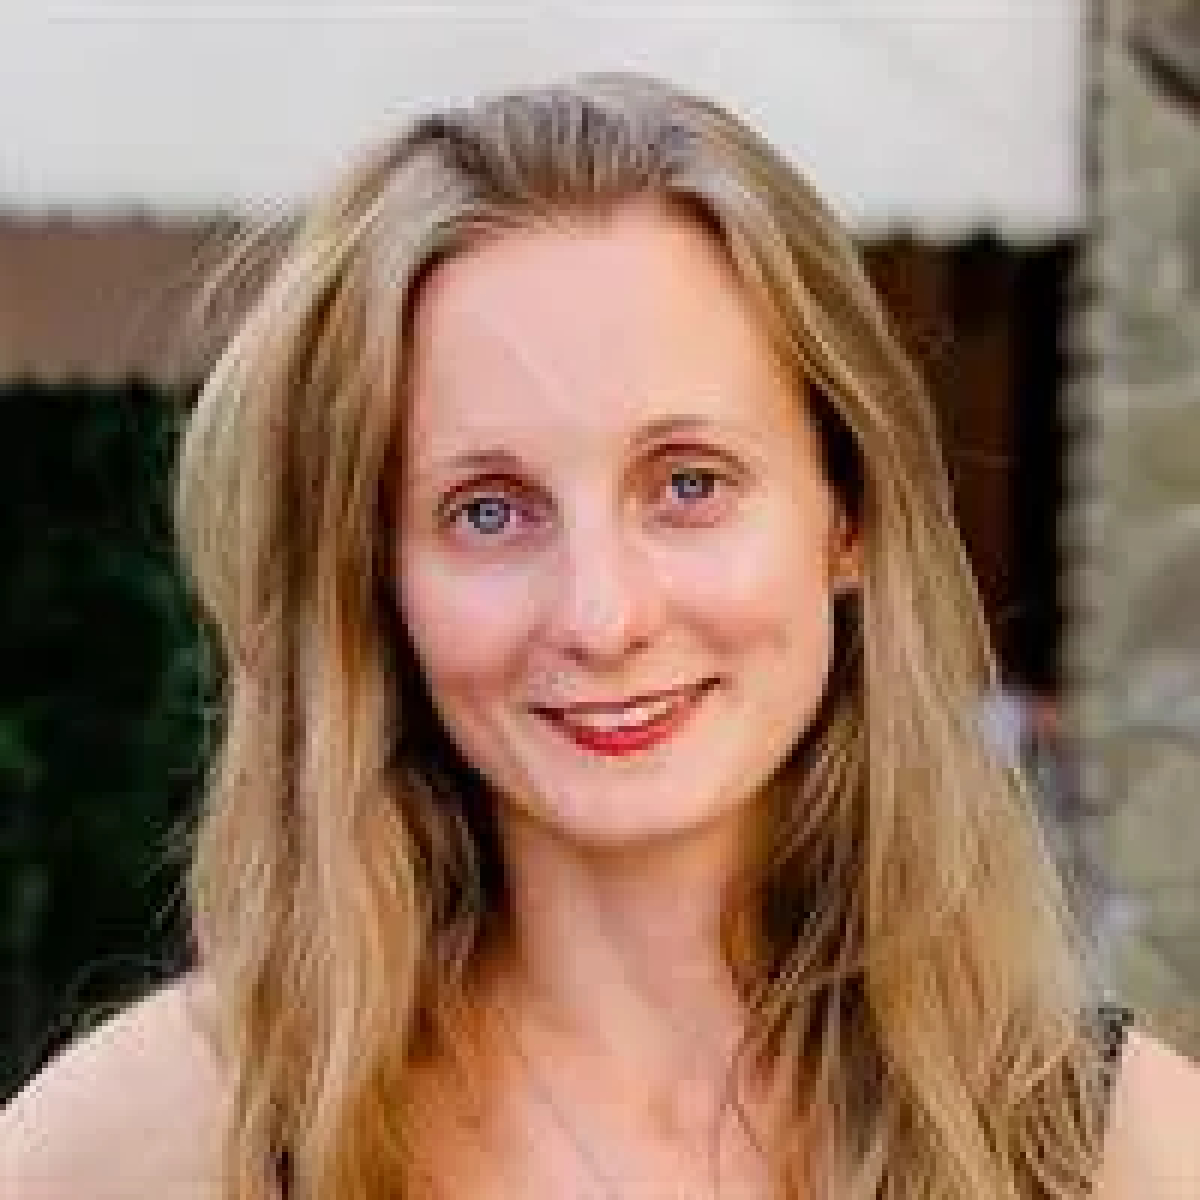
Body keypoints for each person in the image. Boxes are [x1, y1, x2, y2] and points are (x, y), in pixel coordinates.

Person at [2, 72, 1197, 1200]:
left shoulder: (1115, 1151)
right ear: (375, 578)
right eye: (488, 510)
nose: (602, 617)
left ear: (848, 514)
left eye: (688, 483)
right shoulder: (178, 1129)